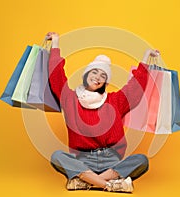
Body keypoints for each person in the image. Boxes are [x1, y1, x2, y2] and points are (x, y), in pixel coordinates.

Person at [46, 32, 160, 193]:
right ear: (86, 74)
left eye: (103, 75)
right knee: (57, 156)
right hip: (83, 160)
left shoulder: (115, 101)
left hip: (111, 160)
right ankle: (110, 185)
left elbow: (135, 88)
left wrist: (146, 58)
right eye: (94, 72)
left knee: (141, 160)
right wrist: (56, 43)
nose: (97, 77)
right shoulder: (70, 99)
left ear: (105, 82)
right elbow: (56, 76)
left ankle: (86, 181)